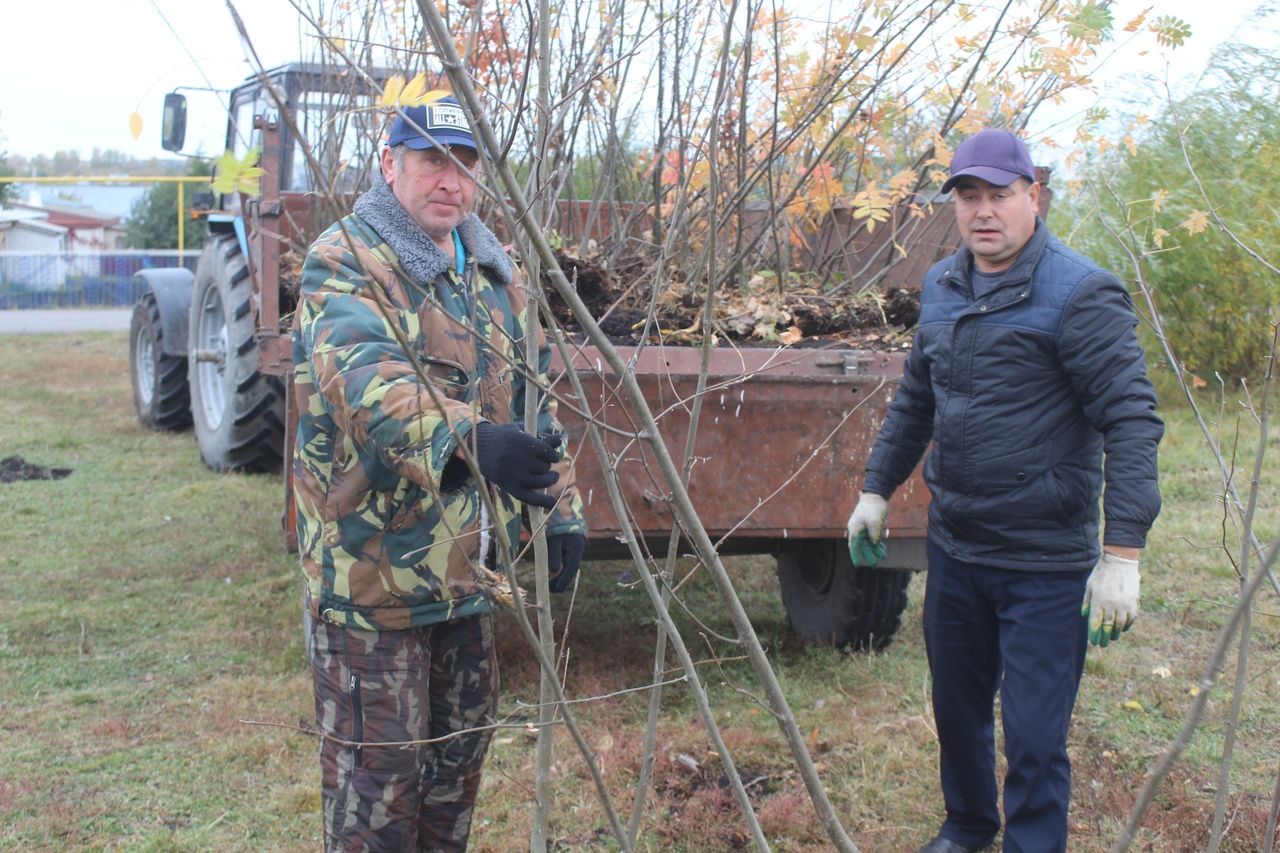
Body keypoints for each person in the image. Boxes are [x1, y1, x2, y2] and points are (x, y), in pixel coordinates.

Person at [845, 128, 1163, 852]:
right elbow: (917, 398)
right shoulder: (944, 285)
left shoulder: (1081, 293)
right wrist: (875, 487)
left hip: (1044, 559)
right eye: (969, 196)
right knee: (956, 709)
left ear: (1033, 197)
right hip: (956, 544)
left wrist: (1123, 553)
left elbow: (1132, 419)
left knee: (1034, 733)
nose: (984, 211)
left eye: (1000, 195)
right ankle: (966, 824)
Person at [291, 93, 587, 851]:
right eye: (431, 162)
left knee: (455, 777)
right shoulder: (343, 260)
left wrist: (561, 509)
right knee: (378, 788)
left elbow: (535, 397)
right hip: (373, 579)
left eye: (464, 165)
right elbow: (368, 386)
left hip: (468, 577)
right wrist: (468, 439)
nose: (450, 181)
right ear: (389, 165)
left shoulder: (494, 271)